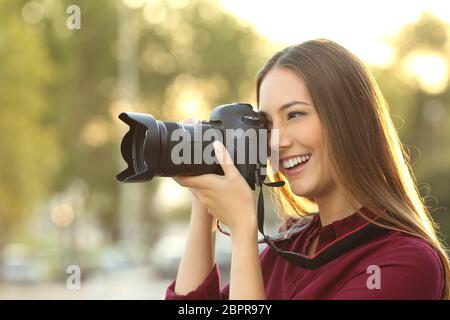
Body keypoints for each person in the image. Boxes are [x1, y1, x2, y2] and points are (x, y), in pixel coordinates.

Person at [164, 39, 449, 300]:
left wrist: (242, 229)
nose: (277, 140)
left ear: (349, 120)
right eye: (267, 124)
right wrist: (204, 205)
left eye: (295, 115)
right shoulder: (291, 244)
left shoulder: (407, 262)